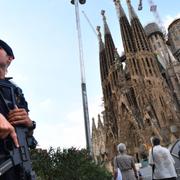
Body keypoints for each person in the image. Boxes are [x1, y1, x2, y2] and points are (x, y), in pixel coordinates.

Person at [0, 39, 36, 179]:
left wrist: (30, 123)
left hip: (18, 167)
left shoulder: (17, 92)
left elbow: (28, 134)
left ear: (10, 58)